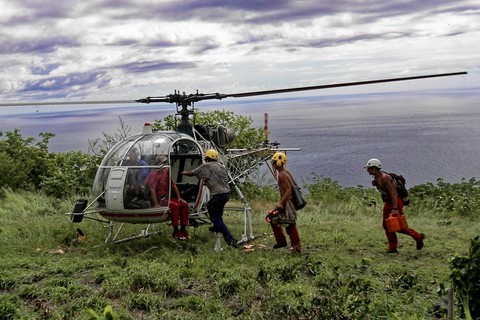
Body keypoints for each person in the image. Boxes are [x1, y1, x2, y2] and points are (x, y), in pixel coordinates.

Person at [364, 158, 425, 253]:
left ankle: (418, 237)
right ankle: (392, 248)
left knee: (398, 226)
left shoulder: (385, 178)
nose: (367, 170)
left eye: (369, 168)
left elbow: (393, 193)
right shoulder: (377, 177)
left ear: (374, 169)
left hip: (395, 202)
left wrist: (395, 208)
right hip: (389, 203)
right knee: (386, 225)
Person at [181, 149, 238, 247]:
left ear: (207, 158)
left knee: (215, 216)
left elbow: (193, 173)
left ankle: (230, 239)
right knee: (214, 211)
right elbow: (219, 179)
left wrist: (183, 173)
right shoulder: (221, 166)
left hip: (218, 195)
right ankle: (216, 226)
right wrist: (208, 183)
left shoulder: (206, 166)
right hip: (226, 194)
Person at [145, 155, 189, 240]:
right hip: (160, 199)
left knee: (184, 205)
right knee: (175, 206)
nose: (166, 164)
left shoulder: (166, 171)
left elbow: (173, 185)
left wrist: (179, 197)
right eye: (164, 163)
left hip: (167, 197)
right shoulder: (154, 174)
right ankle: (176, 231)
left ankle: (183, 229)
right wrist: (156, 204)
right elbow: (152, 190)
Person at [270, 152, 301, 253]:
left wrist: (281, 203)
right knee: (283, 222)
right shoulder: (286, 173)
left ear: (278, 163)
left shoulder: (282, 176)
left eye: (273, 162)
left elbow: (288, 190)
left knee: (286, 224)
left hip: (287, 203)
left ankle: (294, 247)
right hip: (289, 202)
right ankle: (288, 244)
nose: (273, 164)